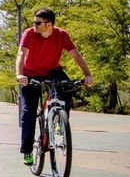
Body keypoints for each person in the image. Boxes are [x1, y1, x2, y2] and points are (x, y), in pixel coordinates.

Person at [15, 8, 93, 165]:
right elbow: (21, 54)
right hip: (30, 74)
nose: (34, 25)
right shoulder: (30, 34)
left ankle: (58, 121)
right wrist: (20, 74)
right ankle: (27, 151)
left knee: (68, 87)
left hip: (52, 70)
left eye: (38, 22)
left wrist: (87, 75)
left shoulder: (61, 35)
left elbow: (76, 55)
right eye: (34, 22)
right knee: (29, 112)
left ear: (49, 24)